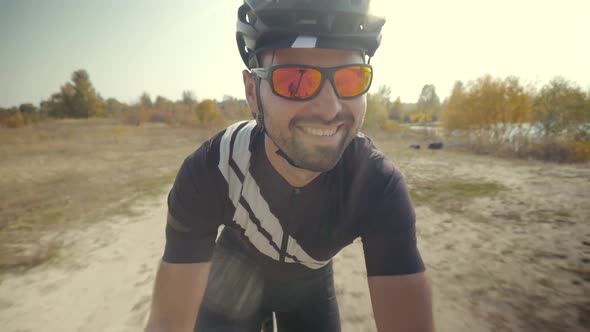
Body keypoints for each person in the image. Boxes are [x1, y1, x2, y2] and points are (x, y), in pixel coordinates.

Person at [145, 0, 434, 331]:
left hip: (309, 289)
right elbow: (167, 323)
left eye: (352, 78)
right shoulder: (213, 169)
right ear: (253, 93)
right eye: (296, 80)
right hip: (231, 282)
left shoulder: (376, 186)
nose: (329, 108)